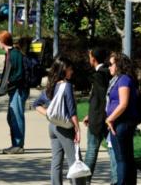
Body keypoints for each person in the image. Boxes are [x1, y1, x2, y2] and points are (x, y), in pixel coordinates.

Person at [34, 56, 85, 185]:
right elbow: (72, 112)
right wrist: (77, 130)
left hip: (53, 126)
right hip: (65, 128)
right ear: (63, 70)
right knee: (75, 161)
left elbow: (36, 104)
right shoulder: (66, 86)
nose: (72, 71)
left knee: (56, 161)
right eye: (70, 69)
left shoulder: (50, 86)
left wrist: (49, 115)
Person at [83, 48, 117, 185]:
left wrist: (95, 116)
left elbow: (101, 98)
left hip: (99, 119)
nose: (89, 59)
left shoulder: (99, 75)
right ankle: (116, 180)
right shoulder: (109, 72)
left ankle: (84, 181)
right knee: (112, 151)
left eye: (89, 56)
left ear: (93, 58)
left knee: (91, 151)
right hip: (107, 117)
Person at [105, 52, 138, 185]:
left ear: (119, 65)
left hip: (121, 124)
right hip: (120, 123)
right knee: (127, 158)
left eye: (111, 64)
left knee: (122, 159)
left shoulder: (124, 79)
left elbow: (123, 104)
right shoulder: (120, 79)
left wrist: (110, 119)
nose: (109, 67)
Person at [0, 31, 28, 154]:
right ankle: (15, 143)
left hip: (19, 90)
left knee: (16, 117)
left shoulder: (15, 54)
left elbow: (19, 74)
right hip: (14, 90)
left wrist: (9, 82)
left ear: (2, 42)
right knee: (11, 117)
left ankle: (18, 145)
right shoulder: (10, 53)